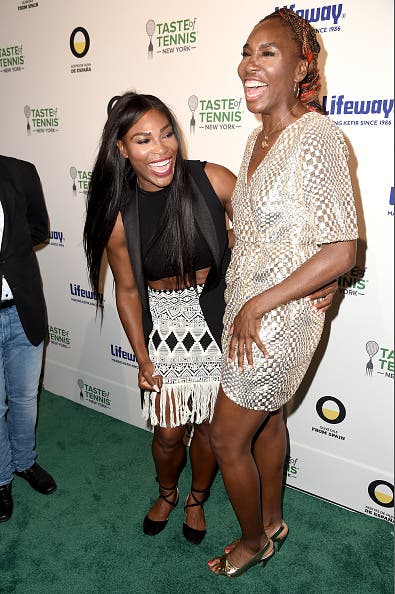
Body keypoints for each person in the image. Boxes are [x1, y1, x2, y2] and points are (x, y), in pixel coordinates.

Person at [83, 92, 335, 544]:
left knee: (212, 430)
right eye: (143, 140)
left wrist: (327, 276)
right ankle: (167, 492)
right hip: (167, 329)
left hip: (222, 318)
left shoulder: (211, 179)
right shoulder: (121, 218)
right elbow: (125, 291)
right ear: (122, 149)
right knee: (168, 433)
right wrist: (142, 357)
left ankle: (197, 498)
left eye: (166, 135)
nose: (160, 150)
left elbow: (271, 236)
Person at [208, 8, 358, 577]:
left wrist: (261, 303)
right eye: (247, 51)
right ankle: (271, 520)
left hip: (278, 316)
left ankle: (251, 542)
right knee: (267, 421)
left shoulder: (318, 136)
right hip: (246, 304)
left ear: (301, 68)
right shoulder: (253, 141)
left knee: (226, 438)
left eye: (267, 53)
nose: (249, 63)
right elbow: (275, 230)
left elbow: (341, 248)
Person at [0, 155, 57, 524]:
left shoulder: (19, 172)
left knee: (23, 397)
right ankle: (1, 478)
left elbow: (39, 230)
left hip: (23, 310)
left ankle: (25, 462)